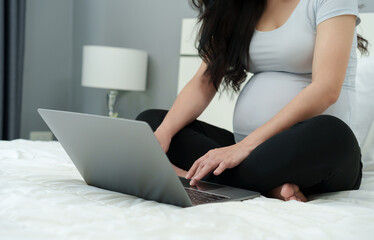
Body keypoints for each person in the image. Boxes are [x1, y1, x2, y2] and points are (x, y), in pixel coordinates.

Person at [136, 0, 369, 202]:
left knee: (332, 134)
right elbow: (204, 81)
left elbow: (326, 89)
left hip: (312, 152)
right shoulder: (238, 8)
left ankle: (187, 176)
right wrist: (162, 135)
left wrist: (243, 148)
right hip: (253, 155)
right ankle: (267, 186)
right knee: (151, 123)